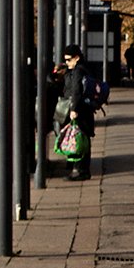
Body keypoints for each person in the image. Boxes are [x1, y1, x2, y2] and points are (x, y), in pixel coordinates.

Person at [50, 44, 102, 180]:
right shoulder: (82, 69)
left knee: (79, 138)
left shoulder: (78, 71)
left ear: (77, 58)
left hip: (80, 110)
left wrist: (74, 109)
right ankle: (81, 169)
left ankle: (80, 170)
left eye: (69, 60)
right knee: (82, 138)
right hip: (84, 109)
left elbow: (76, 91)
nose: (67, 63)